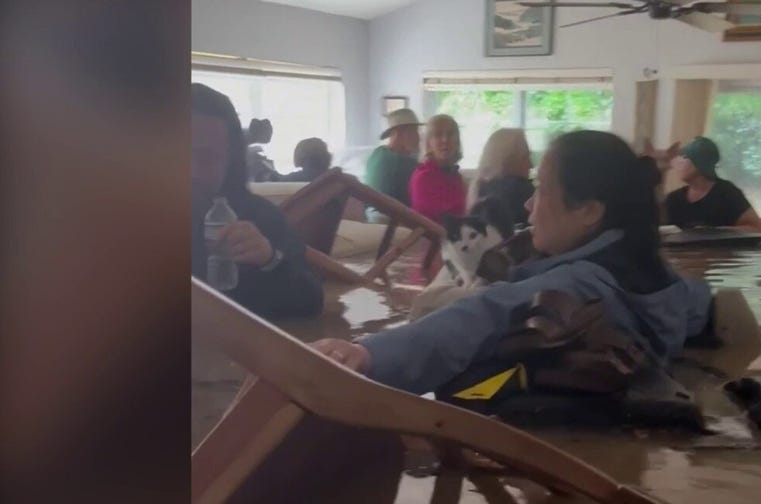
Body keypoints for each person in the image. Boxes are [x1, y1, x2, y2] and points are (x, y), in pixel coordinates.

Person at [309, 130, 713, 395]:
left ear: (589, 210)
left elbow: (485, 313)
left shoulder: (582, 284)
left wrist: (371, 354)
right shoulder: (653, 273)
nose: (528, 204)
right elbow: (699, 301)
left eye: (540, 190)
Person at [191, 83, 324, 319]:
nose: (190, 171)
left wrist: (269, 259)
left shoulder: (258, 217)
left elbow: (311, 301)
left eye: (207, 157)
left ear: (229, 161)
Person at [662, 136, 761, 233]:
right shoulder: (673, 199)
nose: (676, 163)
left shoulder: (727, 193)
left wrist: (715, 232)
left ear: (699, 162)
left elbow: (757, 229)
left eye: (684, 157)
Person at [469, 128, 535, 229]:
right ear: (509, 159)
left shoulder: (479, 188)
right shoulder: (521, 190)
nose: (531, 165)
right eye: (525, 157)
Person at [365, 108, 421, 223]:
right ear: (398, 133)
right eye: (413, 131)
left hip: (370, 221)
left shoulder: (377, 154)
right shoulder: (403, 163)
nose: (418, 138)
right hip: (393, 225)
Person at [409, 114, 467, 224]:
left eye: (450, 134)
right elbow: (447, 219)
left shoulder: (454, 174)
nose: (445, 140)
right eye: (438, 135)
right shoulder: (424, 177)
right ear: (429, 143)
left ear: (457, 141)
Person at [245, 118, 281, 182]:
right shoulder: (241, 137)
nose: (270, 136)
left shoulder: (253, 144)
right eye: (268, 133)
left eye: (271, 133)